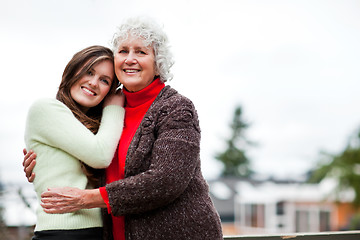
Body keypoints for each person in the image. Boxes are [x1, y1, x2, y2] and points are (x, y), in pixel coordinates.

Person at [24, 17, 223, 240]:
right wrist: (43, 162)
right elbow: (85, 155)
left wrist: (87, 198)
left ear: (158, 63)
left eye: (141, 52)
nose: (130, 59)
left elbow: (167, 179)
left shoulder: (175, 108)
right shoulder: (110, 114)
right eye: (123, 51)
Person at [24, 45, 125, 240]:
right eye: (89, 72)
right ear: (73, 70)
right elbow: (100, 155)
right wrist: (115, 106)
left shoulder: (99, 130)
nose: (94, 83)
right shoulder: (45, 109)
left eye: (104, 80)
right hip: (61, 233)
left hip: (97, 232)